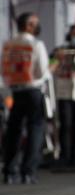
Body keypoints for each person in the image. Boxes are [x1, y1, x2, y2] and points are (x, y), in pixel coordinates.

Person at [2, 13, 51, 184]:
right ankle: (28, 171)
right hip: (33, 90)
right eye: (35, 23)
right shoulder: (36, 44)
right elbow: (41, 72)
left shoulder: (9, 45)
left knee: (14, 131)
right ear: (29, 25)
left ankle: (9, 171)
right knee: (35, 130)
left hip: (15, 91)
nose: (38, 26)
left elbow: (4, 70)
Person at [51, 24, 75, 171]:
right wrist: (57, 56)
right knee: (65, 124)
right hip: (64, 92)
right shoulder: (61, 50)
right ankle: (64, 156)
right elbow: (50, 63)